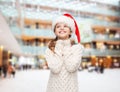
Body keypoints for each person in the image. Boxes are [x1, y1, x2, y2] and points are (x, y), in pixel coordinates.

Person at [45, 13, 84, 92]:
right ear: (55, 31)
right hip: (53, 89)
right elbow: (55, 68)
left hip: (71, 89)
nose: (62, 28)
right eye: (58, 26)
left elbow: (71, 67)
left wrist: (65, 47)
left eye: (65, 26)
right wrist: (59, 46)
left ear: (70, 31)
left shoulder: (77, 48)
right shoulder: (50, 49)